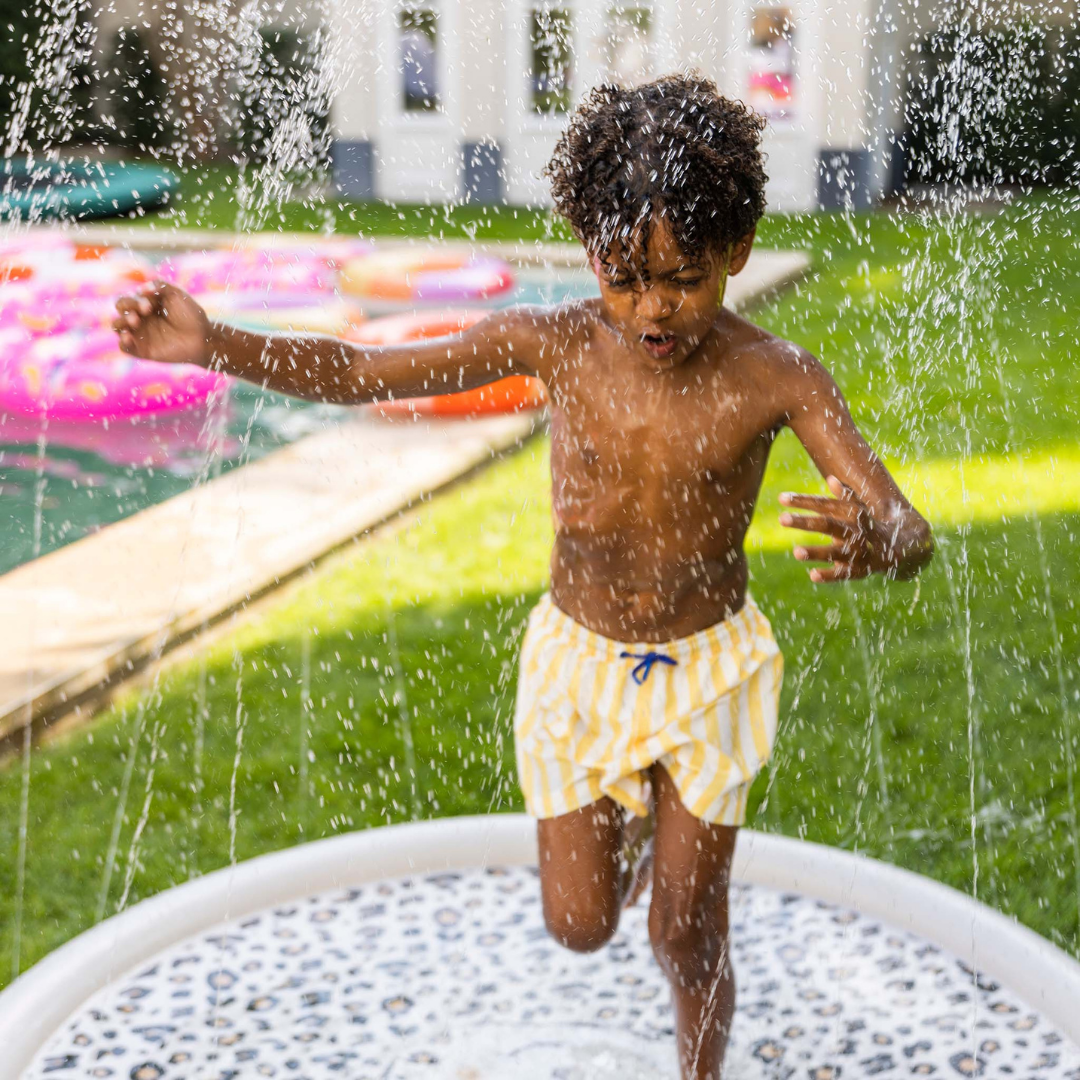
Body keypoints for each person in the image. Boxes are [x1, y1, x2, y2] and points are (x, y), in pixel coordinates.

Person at [113, 74, 933, 1080]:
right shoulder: (553, 344)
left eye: (682, 278)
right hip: (578, 669)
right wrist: (213, 344)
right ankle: (635, 827)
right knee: (580, 925)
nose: (652, 308)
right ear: (589, 252)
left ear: (738, 253)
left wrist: (888, 540)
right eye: (624, 276)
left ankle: (700, 1070)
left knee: (683, 933)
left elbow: (901, 518)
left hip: (709, 670)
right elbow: (364, 373)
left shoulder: (779, 377)